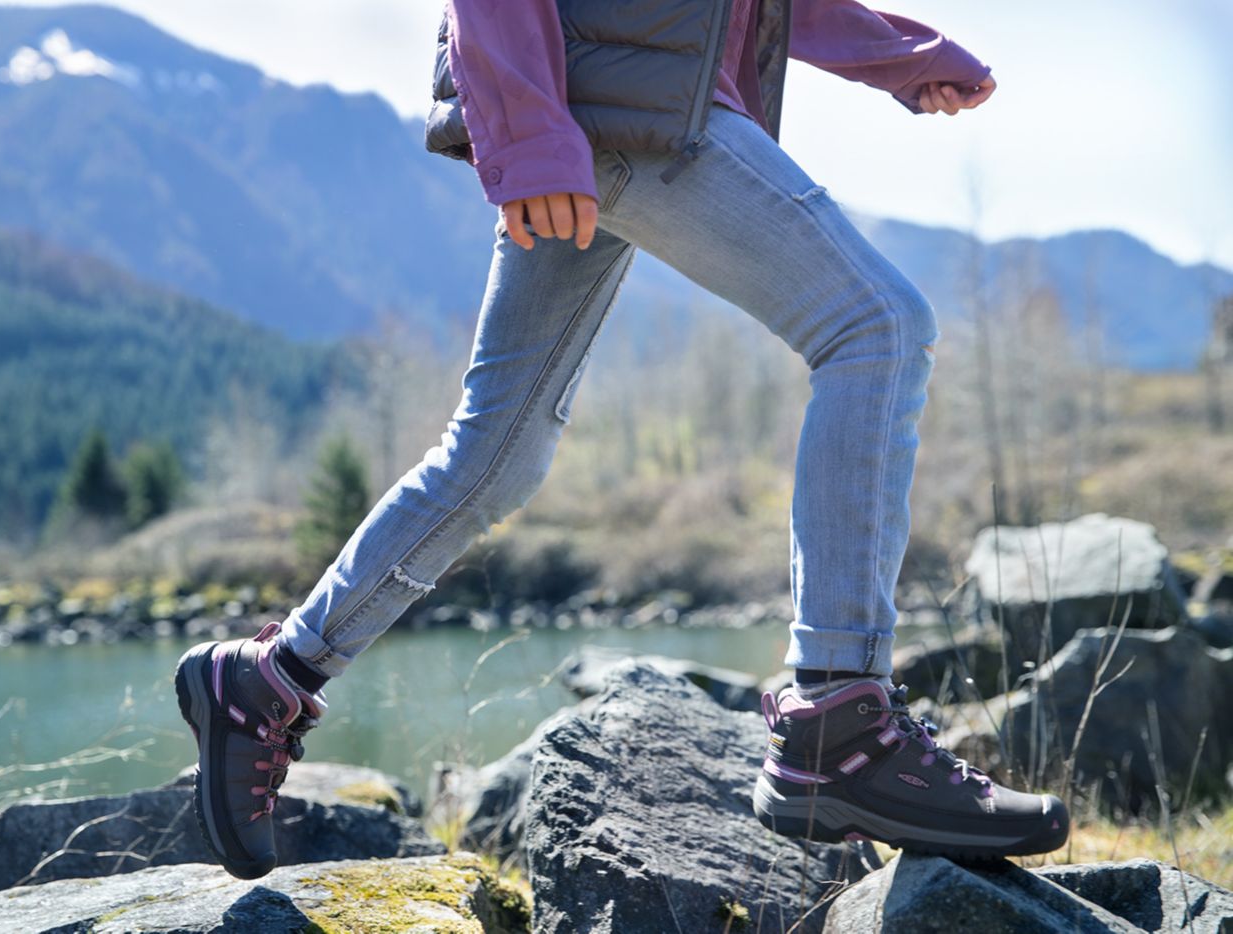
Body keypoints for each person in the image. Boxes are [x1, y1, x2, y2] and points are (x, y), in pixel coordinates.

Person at [175, 0, 1068, 881]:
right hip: (615, 99)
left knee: (497, 451)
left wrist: (900, 53)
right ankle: (839, 718)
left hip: (609, 95)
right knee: (876, 327)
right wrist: (528, 137)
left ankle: (271, 678)